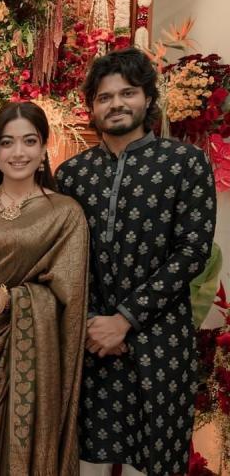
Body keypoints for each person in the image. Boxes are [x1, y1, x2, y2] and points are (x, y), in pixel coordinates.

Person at [55, 48, 217, 476]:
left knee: (154, 461)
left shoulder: (185, 163)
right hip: (90, 343)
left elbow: (192, 251)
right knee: (83, 459)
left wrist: (125, 320)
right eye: (104, 97)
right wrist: (94, 323)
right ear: (92, 107)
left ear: (147, 97)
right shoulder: (72, 175)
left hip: (160, 342)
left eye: (127, 93)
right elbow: (62, 259)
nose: (116, 104)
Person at [0, 101, 89, 475]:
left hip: (40, 360)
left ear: (43, 150)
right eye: (7, 142)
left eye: (29, 141)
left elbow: (69, 301)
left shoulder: (65, 214)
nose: (18, 152)